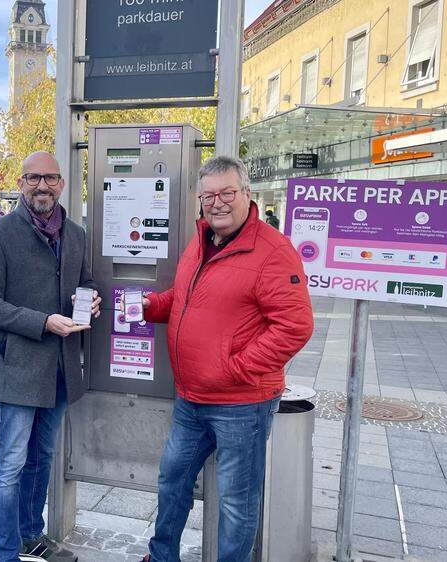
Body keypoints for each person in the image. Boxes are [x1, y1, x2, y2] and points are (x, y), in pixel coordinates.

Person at [135, 156, 313, 562]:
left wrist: (235, 368)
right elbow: (184, 300)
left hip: (241, 405)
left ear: (247, 194)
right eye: (209, 195)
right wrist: (149, 306)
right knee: (172, 481)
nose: (218, 203)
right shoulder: (201, 242)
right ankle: (162, 557)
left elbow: (295, 325)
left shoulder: (273, 251)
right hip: (191, 398)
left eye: (227, 193)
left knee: (236, 501)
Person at [0, 151, 100, 562]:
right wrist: (43, 321)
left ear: (62, 184)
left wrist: (92, 300)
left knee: (42, 457)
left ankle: (31, 534)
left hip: (62, 369)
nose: (42, 186)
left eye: (50, 178)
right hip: (18, 370)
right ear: (21, 183)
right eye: (33, 178)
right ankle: (6, 551)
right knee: (10, 464)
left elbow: (86, 281)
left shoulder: (76, 233)